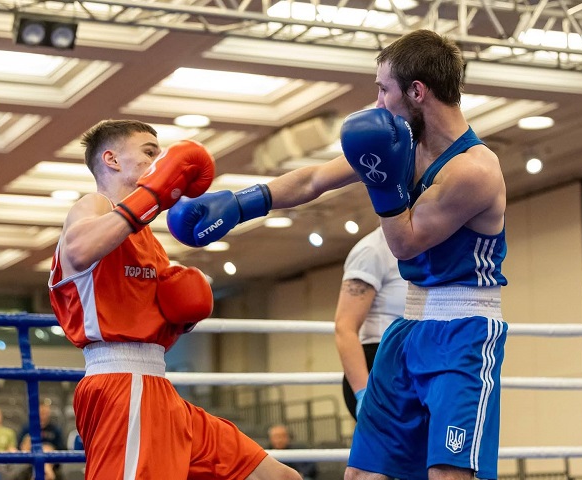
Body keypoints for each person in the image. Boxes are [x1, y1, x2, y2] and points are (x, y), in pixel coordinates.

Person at [167, 29, 508, 480]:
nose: (378, 102)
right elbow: (313, 180)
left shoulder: (475, 170)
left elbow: (404, 242)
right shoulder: (402, 143)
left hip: (462, 332)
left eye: (384, 89)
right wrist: (240, 203)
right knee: (362, 473)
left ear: (417, 91)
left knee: (449, 474)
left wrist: (384, 184)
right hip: (406, 327)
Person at [47, 119, 302, 480]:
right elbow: (79, 248)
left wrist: (182, 314)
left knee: (277, 476)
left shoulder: (149, 242)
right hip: (121, 384)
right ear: (111, 159)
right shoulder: (94, 205)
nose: (159, 162)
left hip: (158, 387)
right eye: (149, 152)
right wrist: (150, 196)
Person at [334, 226, 407, 420]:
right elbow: (345, 327)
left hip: (413, 363)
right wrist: (363, 392)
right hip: (379, 365)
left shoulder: (423, 247)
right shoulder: (372, 250)